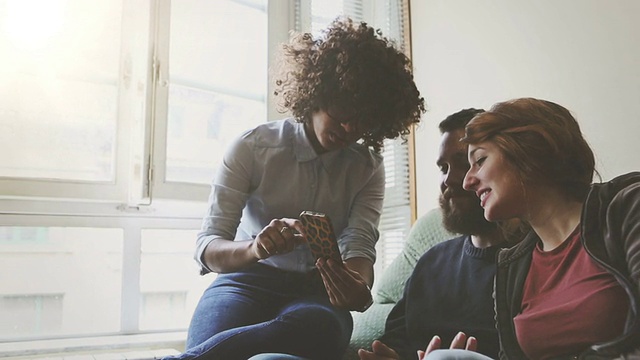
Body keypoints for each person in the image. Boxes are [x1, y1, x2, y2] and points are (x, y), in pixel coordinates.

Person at [163, 17, 425, 360]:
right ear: (316, 91)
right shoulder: (253, 148)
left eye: (363, 119)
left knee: (318, 327)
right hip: (245, 280)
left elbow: (359, 246)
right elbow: (208, 248)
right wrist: (256, 248)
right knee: (219, 335)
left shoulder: (368, 168)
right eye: (342, 109)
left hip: (318, 293)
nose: (349, 126)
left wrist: (358, 286)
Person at [455, 97, 640, 359]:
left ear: (528, 148)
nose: (467, 181)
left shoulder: (627, 209)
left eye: (480, 160)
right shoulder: (511, 268)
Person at [357, 108, 522, 360]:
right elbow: (395, 341)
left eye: (464, 163)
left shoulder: (533, 260)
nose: (450, 180)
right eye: (443, 168)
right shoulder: (431, 262)